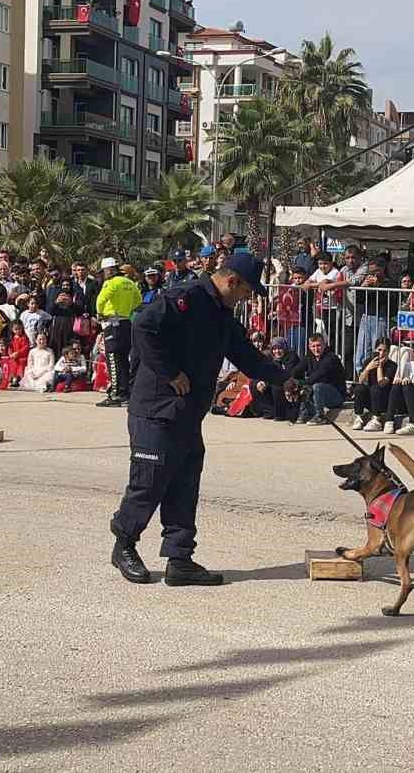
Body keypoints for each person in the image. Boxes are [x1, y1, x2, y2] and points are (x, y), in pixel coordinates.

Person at [109, 252, 297, 587]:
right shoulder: (186, 297)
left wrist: (286, 379)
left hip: (187, 412)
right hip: (156, 406)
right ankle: (124, 544)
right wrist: (170, 373)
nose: (247, 298)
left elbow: (247, 356)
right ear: (231, 281)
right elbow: (142, 326)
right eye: (247, 291)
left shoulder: (221, 314)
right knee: (149, 479)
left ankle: (179, 559)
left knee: (184, 481)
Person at [96, 259, 142, 407]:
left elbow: (100, 299)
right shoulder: (130, 283)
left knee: (113, 359)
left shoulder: (111, 283)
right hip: (126, 323)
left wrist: (100, 313)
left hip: (112, 322)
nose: (104, 274)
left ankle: (115, 394)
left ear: (109, 270)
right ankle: (124, 392)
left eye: (104, 271)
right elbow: (138, 301)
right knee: (123, 359)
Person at [290, 332, 348, 425]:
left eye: (318, 346)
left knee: (316, 386)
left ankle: (320, 416)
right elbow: (295, 371)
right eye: (313, 346)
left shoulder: (331, 358)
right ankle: (305, 412)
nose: (316, 349)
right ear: (309, 347)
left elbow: (318, 375)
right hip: (318, 393)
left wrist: (300, 384)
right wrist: (291, 382)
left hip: (336, 396)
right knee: (300, 384)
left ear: (324, 345)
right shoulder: (309, 357)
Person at [250, 337, 301, 422]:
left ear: (284, 348)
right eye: (274, 349)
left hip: (290, 383)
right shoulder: (270, 357)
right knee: (254, 383)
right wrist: (262, 382)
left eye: (280, 348)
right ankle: (268, 411)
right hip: (276, 380)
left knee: (275, 384)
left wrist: (267, 381)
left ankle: (281, 414)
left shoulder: (292, 357)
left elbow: (287, 374)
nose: (277, 351)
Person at [351, 338, 397, 432]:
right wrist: (367, 369)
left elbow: (382, 383)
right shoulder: (369, 362)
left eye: (385, 351)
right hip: (371, 399)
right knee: (359, 389)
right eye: (379, 350)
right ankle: (359, 416)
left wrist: (379, 366)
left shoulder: (392, 365)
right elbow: (360, 380)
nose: (381, 353)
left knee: (376, 388)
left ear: (388, 352)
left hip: (383, 398)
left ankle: (377, 419)